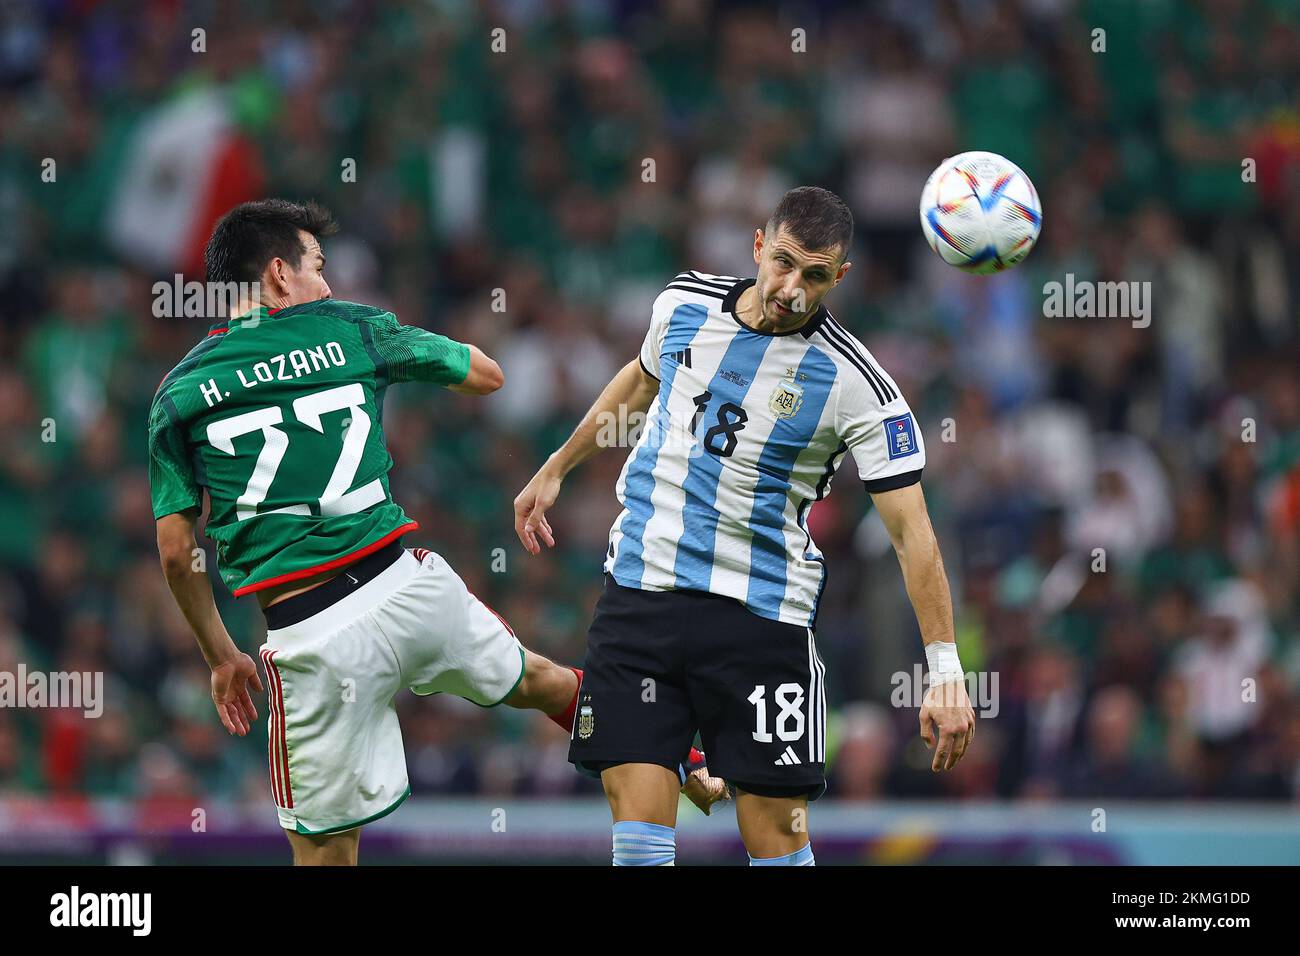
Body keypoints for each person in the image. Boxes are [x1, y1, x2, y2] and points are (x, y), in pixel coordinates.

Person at [149, 199, 722, 866]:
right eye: (319, 268)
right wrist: (389, 348)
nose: (328, 286)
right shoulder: (349, 329)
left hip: (313, 638)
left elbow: (173, 552)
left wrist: (222, 656)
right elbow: (485, 375)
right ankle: (685, 757)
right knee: (544, 681)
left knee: (325, 853)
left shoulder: (181, 392)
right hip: (410, 589)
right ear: (279, 274)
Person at [515, 186, 975, 866]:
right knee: (638, 847)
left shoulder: (859, 387)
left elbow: (913, 535)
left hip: (761, 625)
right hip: (641, 601)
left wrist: (944, 668)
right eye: (784, 262)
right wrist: (558, 465)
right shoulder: (683, 304)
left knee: (777, 846)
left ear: (838, 277)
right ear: (759, 246)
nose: (793, 287)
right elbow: (641, 380)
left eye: (815, 275)